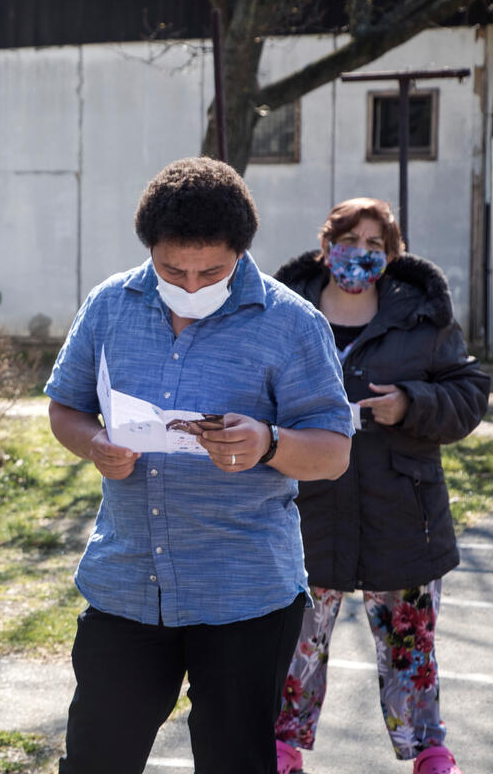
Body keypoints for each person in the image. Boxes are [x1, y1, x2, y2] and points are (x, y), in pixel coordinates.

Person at [45, 157, 354, 774]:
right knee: (96, 759)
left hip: (246, 594)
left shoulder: (292, 322)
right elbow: (65, 407)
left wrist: (267, 442)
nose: (189, 284)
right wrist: (94, 445)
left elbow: (334, 452)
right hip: (127, 584)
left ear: (241, 252)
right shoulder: (110, 305)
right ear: (149, 251)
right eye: (170, 269)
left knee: (233, 761)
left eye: (209, 270)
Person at [272, 198, 489, 774]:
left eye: (376, 245)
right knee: (295, 641)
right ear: (326, 245)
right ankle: (281, 747)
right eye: (350, 240)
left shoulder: (422, 315)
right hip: (307, 510)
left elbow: (469, 395)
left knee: (410, 645)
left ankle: (429, 753)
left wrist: (411, 404)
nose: (360, 255)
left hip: (402, 511)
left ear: (391, 256)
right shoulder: (284, 312)